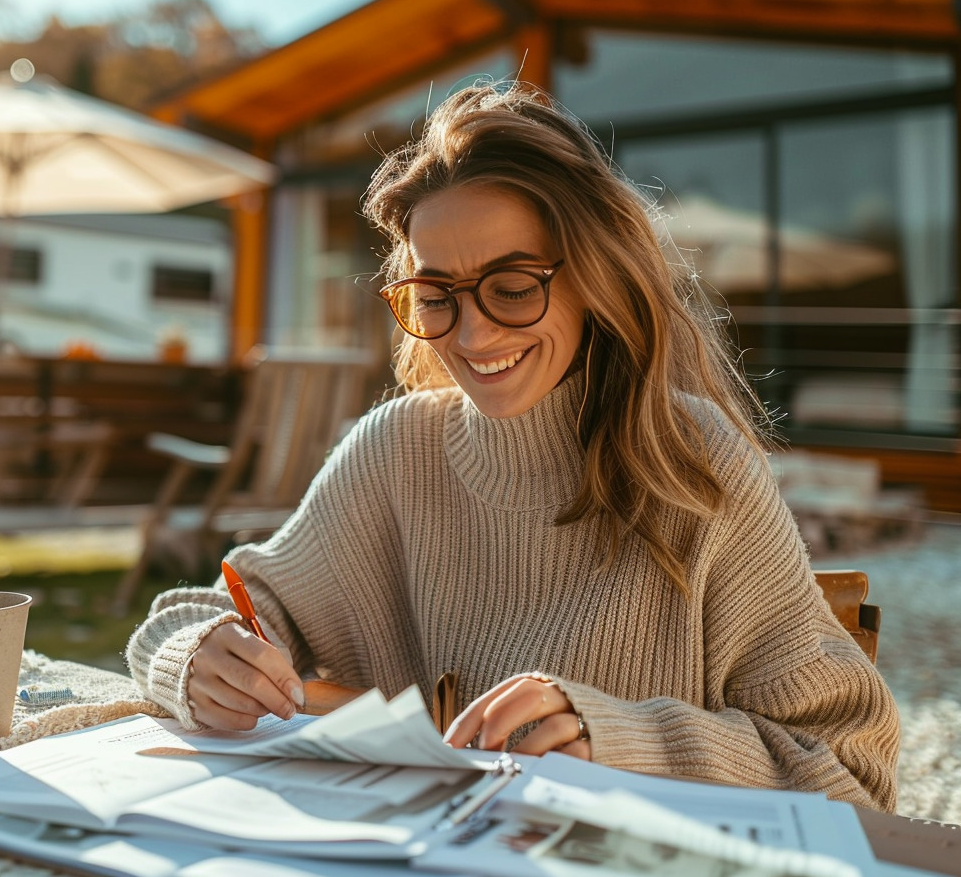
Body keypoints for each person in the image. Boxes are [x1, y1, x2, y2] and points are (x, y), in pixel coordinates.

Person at [127, 82, 900, 811]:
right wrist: (195, 657)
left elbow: (848, 772)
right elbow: (202, 616)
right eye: (437, 295)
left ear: (592, 277)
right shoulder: (394, 452)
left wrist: (620, 740)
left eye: (513, 284)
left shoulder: (696, 464)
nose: (472, 333)